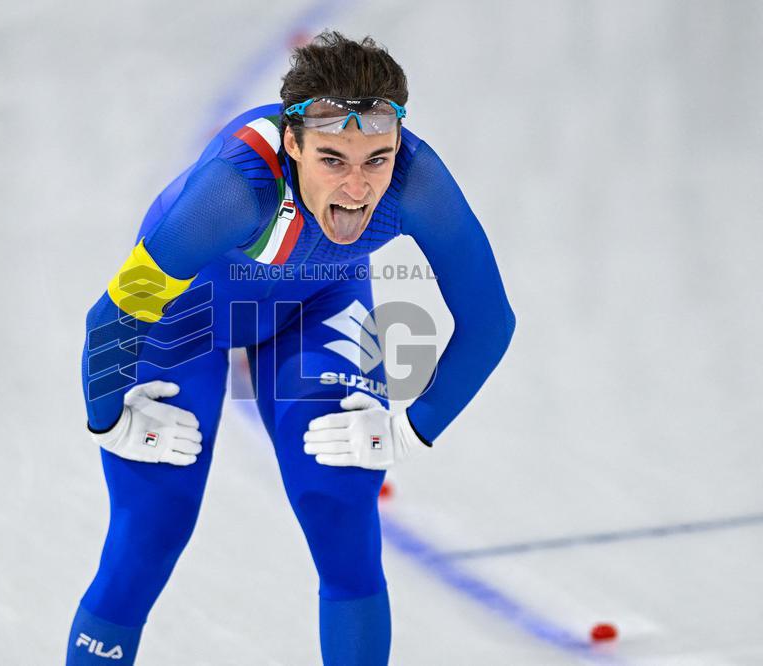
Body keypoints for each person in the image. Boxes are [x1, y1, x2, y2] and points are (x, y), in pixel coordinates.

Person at [68, 31, 516, 665]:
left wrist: (414, 428)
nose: (359, 189)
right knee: (152, 526)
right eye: (333, 160)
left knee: (341, 507)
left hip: (319, 304)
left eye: (377, 160)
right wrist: (108, 419)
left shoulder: (417, 183)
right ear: (293, 143)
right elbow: (116, 313)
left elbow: (491, 321)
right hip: (184, 317)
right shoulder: (232, 192)